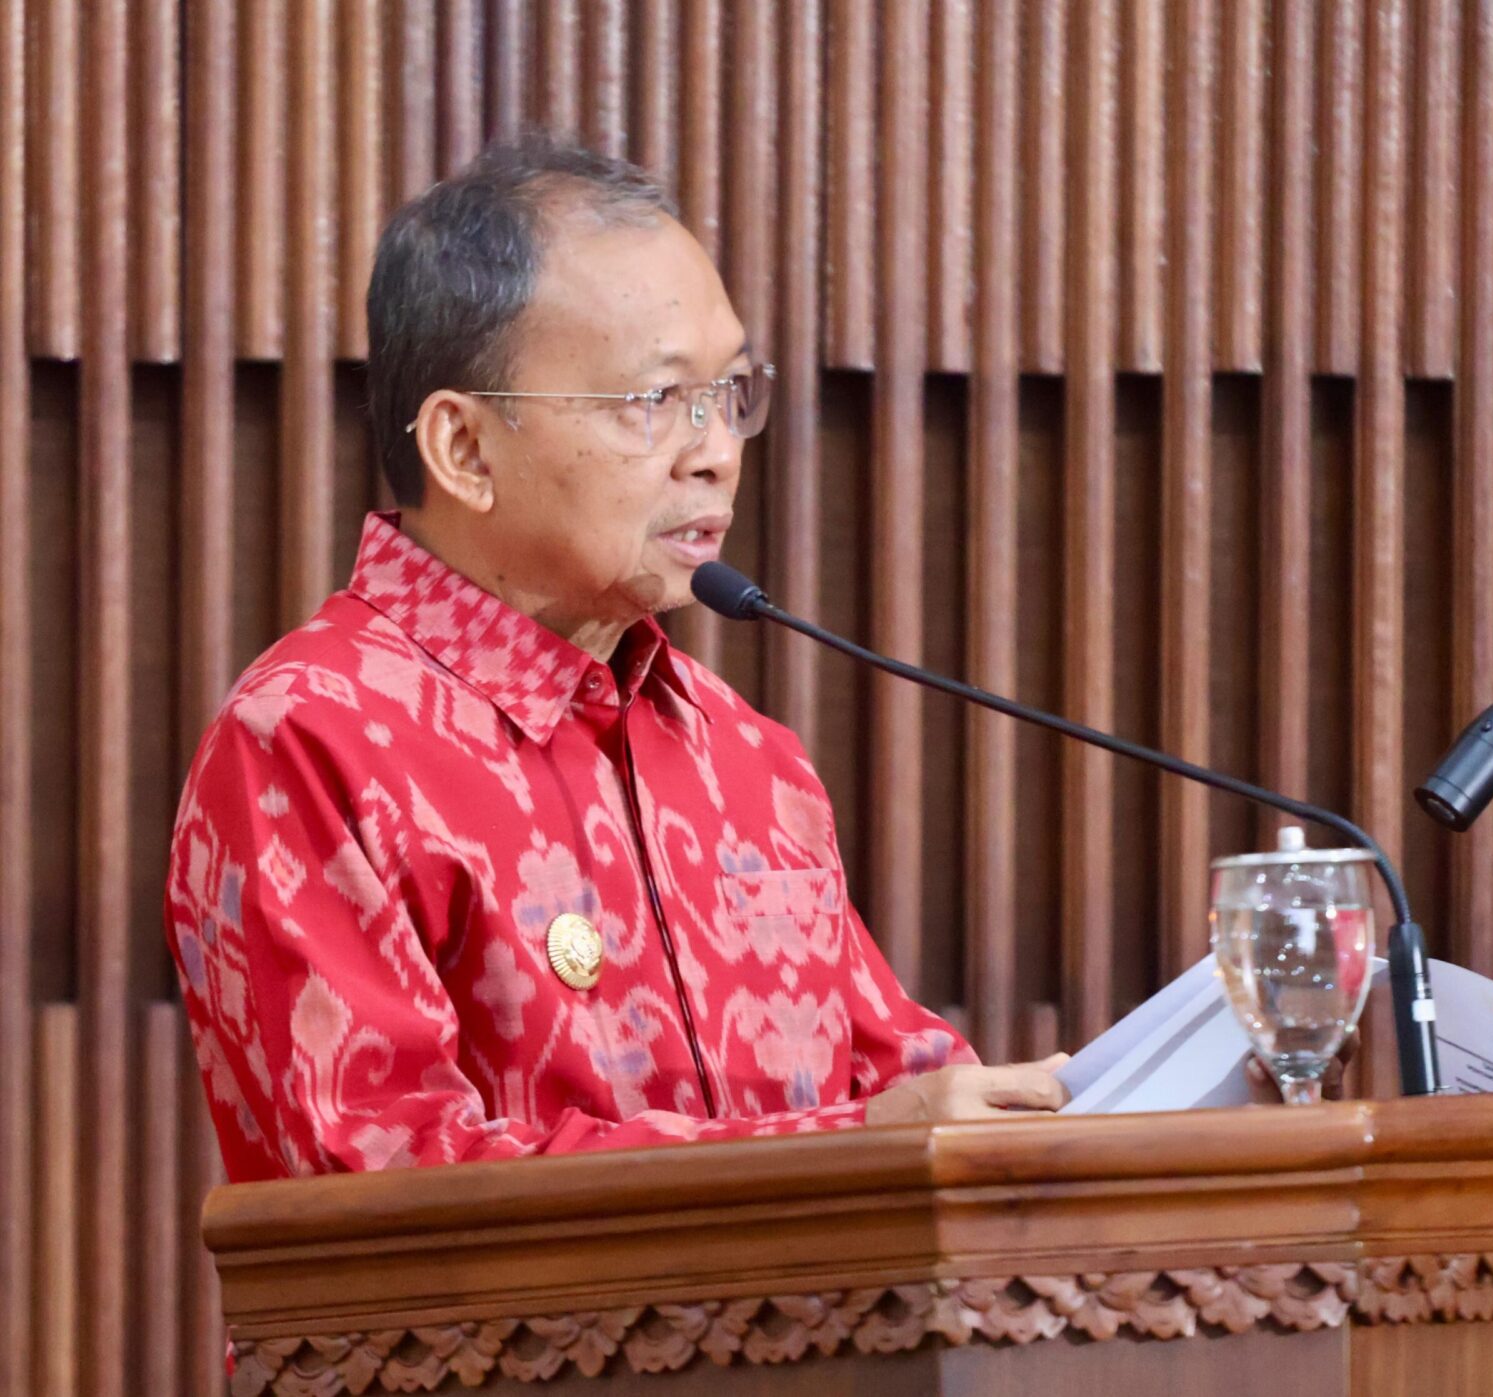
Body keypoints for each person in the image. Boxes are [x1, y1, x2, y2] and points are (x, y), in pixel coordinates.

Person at [164, 131, 1069, 1183]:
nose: (716, 451)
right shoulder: (310, 738)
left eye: (729, 393)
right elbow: (384, 1178)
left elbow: (901, 1090)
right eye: (655, 401)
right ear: (464, 448)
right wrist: (845, 1146)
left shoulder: (747, 757)